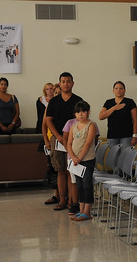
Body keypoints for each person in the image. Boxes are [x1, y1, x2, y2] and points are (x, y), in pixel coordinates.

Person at [45, 72, 83, 211]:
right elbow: (48, 120)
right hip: (58, 139)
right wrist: (59, 137)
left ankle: (72, 201)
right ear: (59, 84)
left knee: (70, 170)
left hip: (75, 140)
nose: (65, 84)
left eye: (68, 81)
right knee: (60, 170)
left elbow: (82, 120)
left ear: (72, 83)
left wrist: (71, 138)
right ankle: (62, 199)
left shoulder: (78, 100)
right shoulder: (54, 101)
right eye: (63, 81)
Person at [67, 101, 97, 221]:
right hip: (75, 161)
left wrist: (79, 158)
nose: (81, 114)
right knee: (79, 185)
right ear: (75, 114)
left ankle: (87, 211)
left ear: (88, 112)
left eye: (83, 111)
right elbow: (69, 143)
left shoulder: (91, 125)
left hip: (87, 160)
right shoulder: (73, 126)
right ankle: (81, 209)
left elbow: (88, 143)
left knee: (87, 185)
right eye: (78, 112)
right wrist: (73, 157)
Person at [99, 81, 137, 148]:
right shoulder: (109, 102)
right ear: (113, 90)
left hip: (127, 135)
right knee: (114, 156)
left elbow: (135, 121)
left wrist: (135, 136)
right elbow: (101, 116)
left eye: (121, 88)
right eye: (116, 88)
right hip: (112, 136)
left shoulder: (130, 102)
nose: (118, 90)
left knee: (125, 156)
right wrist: (114, 108)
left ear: (124, 90)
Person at [43, 84, 60, 205]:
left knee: (63, 170)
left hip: (64, 141)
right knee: (54, 169)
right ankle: (56, 195)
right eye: (55, 93)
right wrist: (46, 141)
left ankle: (66, 195)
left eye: (58, 93)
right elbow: (44, 125)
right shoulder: (50, 106)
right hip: (51, 140)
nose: (57, 95)